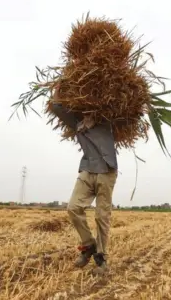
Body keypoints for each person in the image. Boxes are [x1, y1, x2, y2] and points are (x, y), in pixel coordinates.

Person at [50, 88, 118, 275]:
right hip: (87, 169)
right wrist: (60, 85)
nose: (87, 111)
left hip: (107, 170)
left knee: (101, 216)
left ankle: (101, 258)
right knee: (73, 208)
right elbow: (56, 107)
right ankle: (89, 245)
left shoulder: (106, 121)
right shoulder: (77, 123)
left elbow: (115, 103)